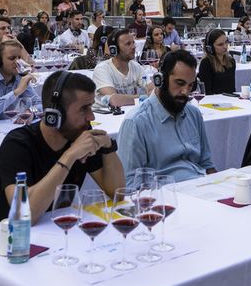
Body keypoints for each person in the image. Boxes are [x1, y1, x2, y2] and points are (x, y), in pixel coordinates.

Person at [0, 70, 125, 224]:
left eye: (91, 107)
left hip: (60, 232)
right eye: (83, 109)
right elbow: (24, 215)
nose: (91, 117)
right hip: (11, 239)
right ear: (55, 114)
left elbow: (116, 194)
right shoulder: (17, 145)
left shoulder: (79, 133)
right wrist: (69, 155)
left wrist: (108, 146)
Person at [117, 49, 216, 188]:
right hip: (166, 197)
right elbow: (129, 184)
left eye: (190, 85)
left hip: (201, 187)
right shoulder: (136, 122)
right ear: (160, 80)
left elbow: (206, 164)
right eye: (179, 83)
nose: (185, 92)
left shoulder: (193, 113)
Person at [92, 28, 147, 109]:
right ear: (114, 49)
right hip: (105, 118)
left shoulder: (136, 66)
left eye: (133, 42)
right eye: (128, 44)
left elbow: (151, 89)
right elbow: (114, 100)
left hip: (127, 114)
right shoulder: (102, 69)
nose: (134, 47)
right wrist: (144, 97)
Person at [198, 28, 236, 94]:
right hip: (212, 102)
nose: (225, 46)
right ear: (210, 47)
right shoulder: (206, 63)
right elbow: (206, 91)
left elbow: (232, 88)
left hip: (230, 100)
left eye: (226, 42)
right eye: (220, 44)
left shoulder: (231, 61)